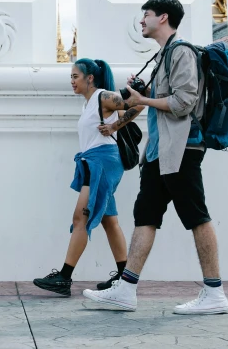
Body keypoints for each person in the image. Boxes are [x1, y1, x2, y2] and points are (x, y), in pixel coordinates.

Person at [83, 0, 228, 314]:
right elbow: (158, 100)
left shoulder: (182, 52)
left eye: (146, 15)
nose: (141, 20)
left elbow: (183, 103)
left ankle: (215, 293)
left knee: (196, 217)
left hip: (182, 149)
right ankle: (126, 290)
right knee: (145, 217)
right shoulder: (162, 57)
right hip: (158, 152)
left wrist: (145, 100)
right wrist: (137, 103)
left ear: (163, 18)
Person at [32, 58, 144, 296]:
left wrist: (114, 127)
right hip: (93, 161)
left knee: (80, 218)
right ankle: (125, 278)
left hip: (102, 161)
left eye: (75, 76)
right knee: (109, 221)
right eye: (71, 77)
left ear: (89, 78)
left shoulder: (103, 96)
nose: (72, 81)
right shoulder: (90, 103)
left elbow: (138, 104)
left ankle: (64, 277)